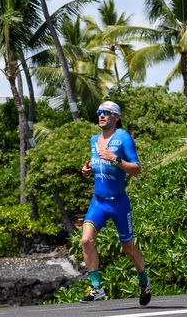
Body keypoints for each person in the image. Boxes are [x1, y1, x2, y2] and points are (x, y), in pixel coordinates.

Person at [79, 100, 151, 306]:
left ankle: (144, 281)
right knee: (86, 240)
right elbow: (96, 164)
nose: (101, 115)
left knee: (128, 248)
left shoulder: (123, 137)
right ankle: (96, 287)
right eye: (99, 112)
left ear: (116, 117)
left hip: (119, 203)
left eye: (107, 112)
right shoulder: (94, 139)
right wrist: (86, 170)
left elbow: (136, 170)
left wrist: (116, 159)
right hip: (98, 202)